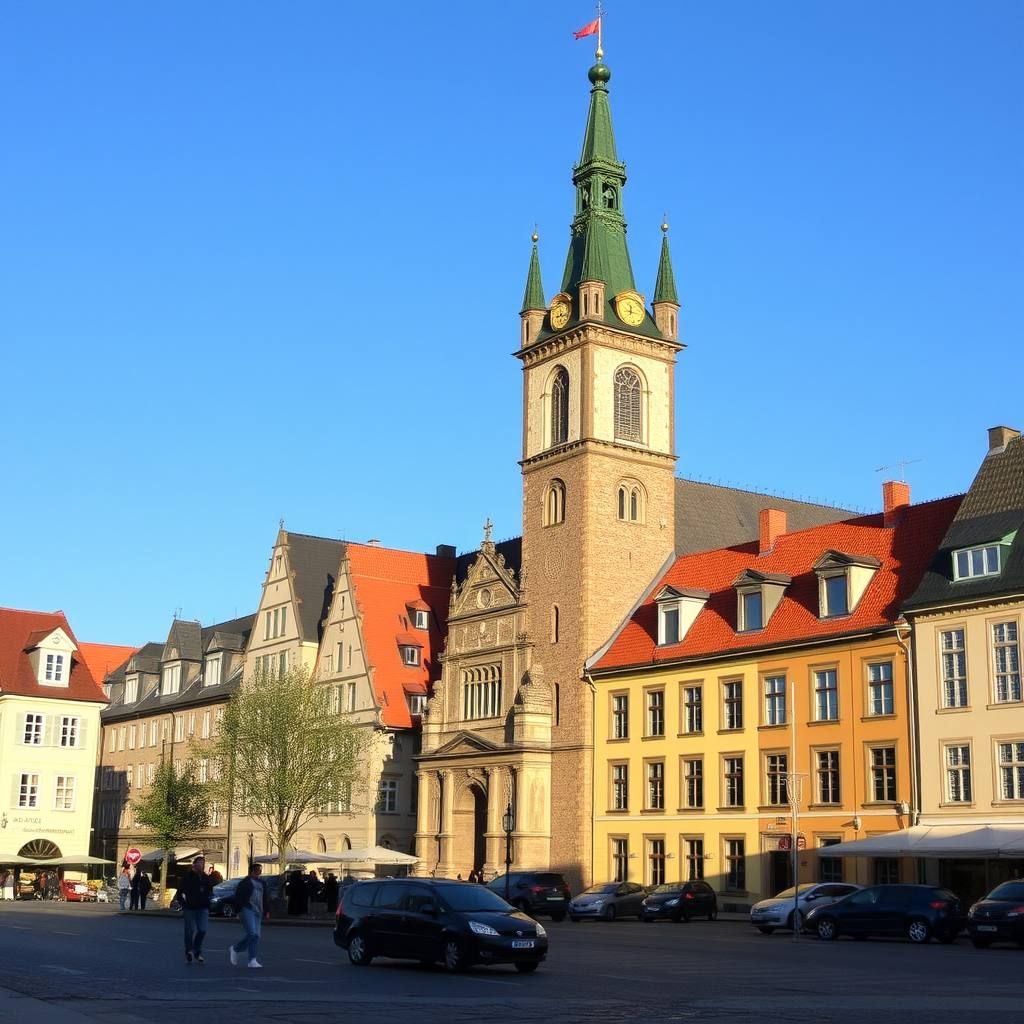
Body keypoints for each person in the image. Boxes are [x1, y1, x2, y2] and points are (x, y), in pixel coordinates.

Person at [229, 862, 268, 969]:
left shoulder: (262, 883)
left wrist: (266, 910)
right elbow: (238, 896)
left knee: (256, 935)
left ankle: (252, 960)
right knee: (252, 933)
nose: (259, 872)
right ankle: (236, 949)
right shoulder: (245, 882)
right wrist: (238, 911)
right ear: (251, 871)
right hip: (247, 909)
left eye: (260, 870)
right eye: (257, 870)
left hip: (258, 910)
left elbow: (265, 897)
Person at [176, 855, 213, 963]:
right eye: (200, 863)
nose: (202, 865)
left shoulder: (206, 877)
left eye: (203, 863)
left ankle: (197, 950)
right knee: (190, 930)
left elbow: (209, 891)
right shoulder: (187, 877)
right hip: (190, 908)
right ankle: (189, 951)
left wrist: (208, 903)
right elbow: (180, 893)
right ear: (195, 864)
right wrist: (184, 904)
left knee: (202, 930)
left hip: (203, 907)